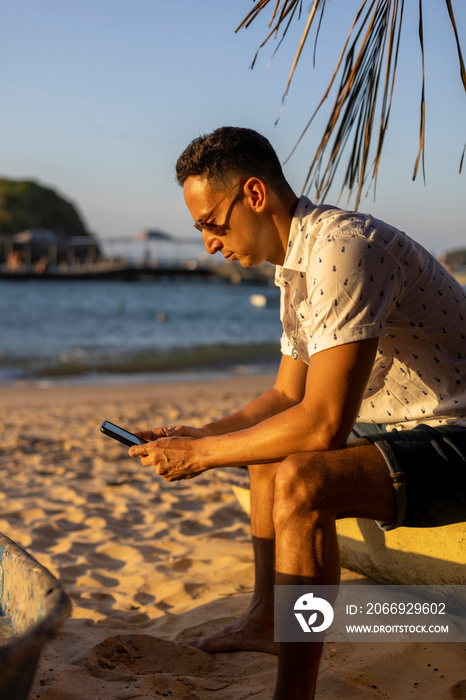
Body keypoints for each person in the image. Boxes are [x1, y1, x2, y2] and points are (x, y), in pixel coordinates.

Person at [130, 126, 466, 699]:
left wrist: (203, 456)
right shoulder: (297, 266)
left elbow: (322, 423)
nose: (209, 243)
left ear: (254, 195)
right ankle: (266, 621)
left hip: (455, 431)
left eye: (211, 222)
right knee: (269, 447)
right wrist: (200, 434)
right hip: (406, 425)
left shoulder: (343, 249)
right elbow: (287, 398)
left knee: (302, 479)